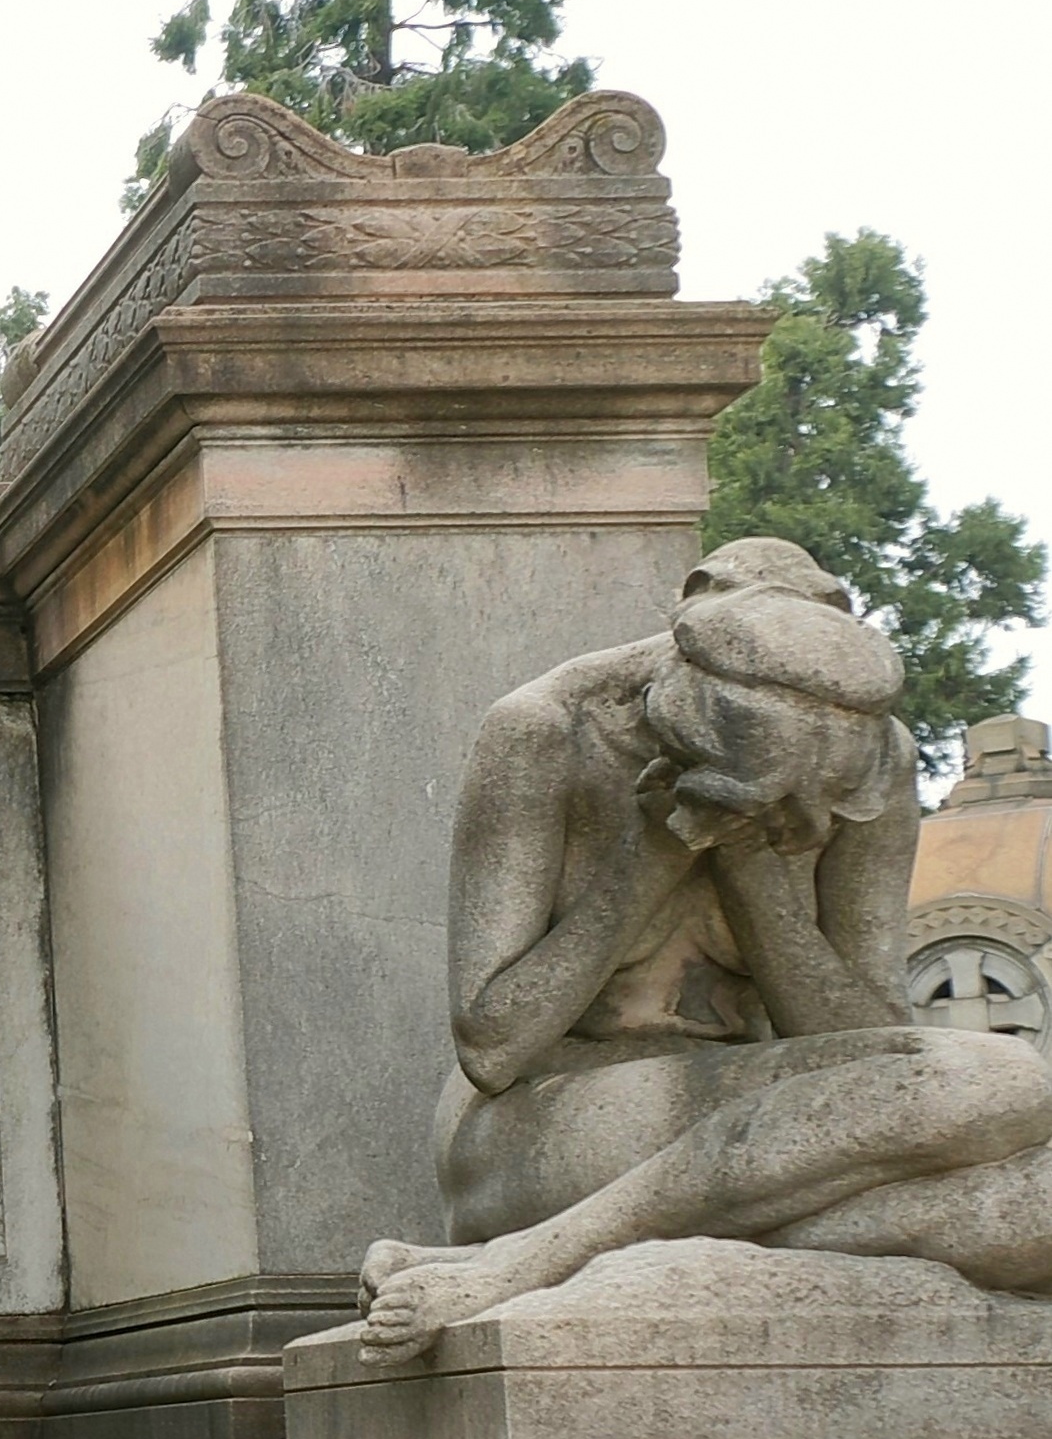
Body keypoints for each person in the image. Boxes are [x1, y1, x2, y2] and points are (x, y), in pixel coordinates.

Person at [356, 537, 1052, 1360]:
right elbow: (494, 1043)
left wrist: (749, 860)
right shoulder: (547, 731)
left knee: (1033, 1207)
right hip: (535, 1125)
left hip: (778, 1133)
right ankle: (525, 1259)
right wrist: (658, 853)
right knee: (1005, 1077)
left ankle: (578, 1253)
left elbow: (862, 1032)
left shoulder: (875, 753)